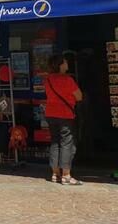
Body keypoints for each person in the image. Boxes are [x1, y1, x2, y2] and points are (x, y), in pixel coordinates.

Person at [45, 55, 84, 185]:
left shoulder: (48, 79)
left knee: (55, 142)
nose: (67, 63)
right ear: (60, 65)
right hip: (65, 114)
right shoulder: (68, 79)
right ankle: (66, 175)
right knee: (67, 143)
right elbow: (79, 96)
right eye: (65, 62)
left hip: (50, 114)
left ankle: (55, 174)